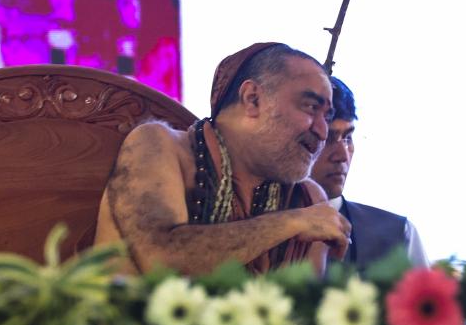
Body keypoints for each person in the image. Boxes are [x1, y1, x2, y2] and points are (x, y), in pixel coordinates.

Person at [94, 42, 352, 275]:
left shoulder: (309, 199)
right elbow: (161, 260)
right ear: (252, 99)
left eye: (327, 116)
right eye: (310, 107)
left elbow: (299, 306)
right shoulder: (157, 145)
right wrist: (291, 222)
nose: (322, 131)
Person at [310, 76, 430, 270]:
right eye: (328, 139)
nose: (342, 155)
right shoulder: (263, 227)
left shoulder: (399, 234)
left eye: (348, 137)